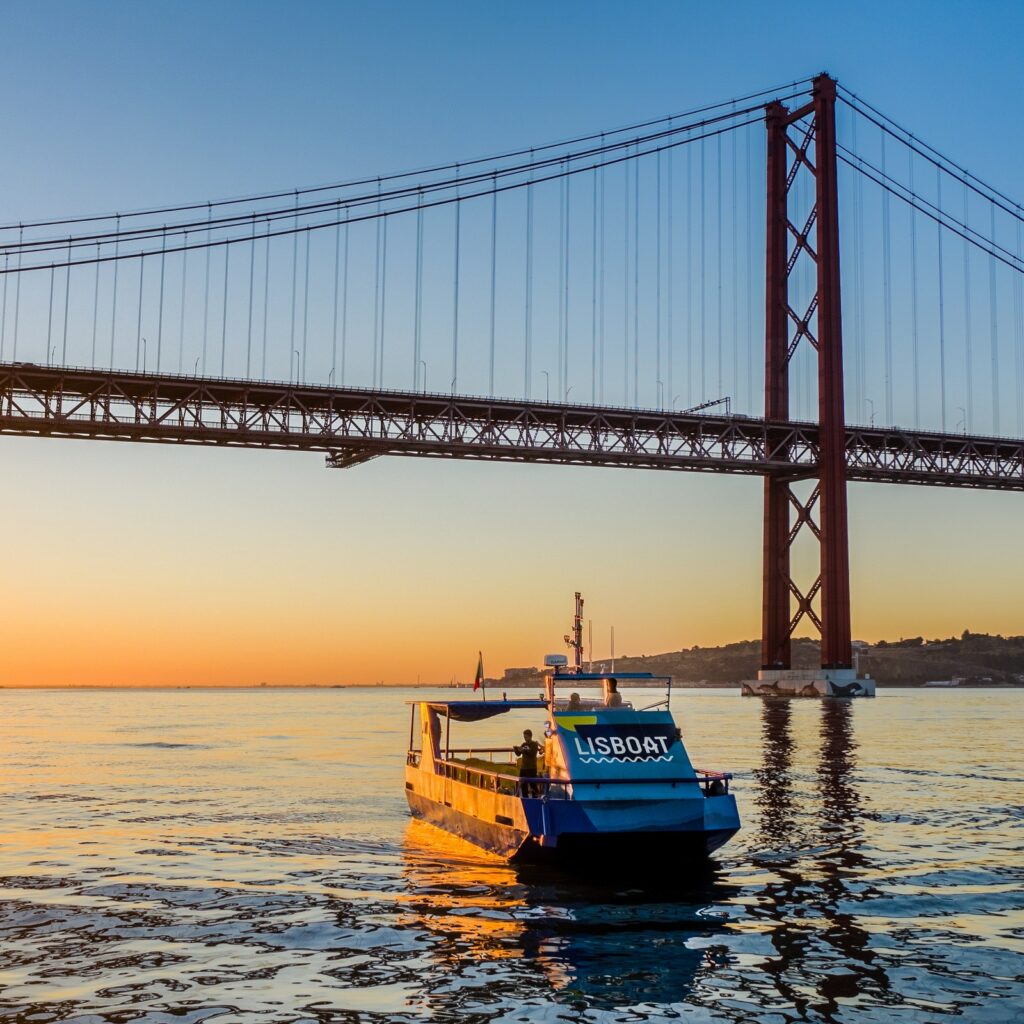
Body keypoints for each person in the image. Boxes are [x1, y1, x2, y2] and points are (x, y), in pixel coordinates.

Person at [513, 728, 543, 796]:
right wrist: (516, 750)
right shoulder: (524, 744)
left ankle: (535, 799)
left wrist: (525, 750)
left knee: (533, 785)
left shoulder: (534, 744)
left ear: (530, 736)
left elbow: (532, 753)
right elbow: (519, 754)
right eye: (524, 737)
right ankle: (525, 798)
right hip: (523, 768)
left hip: (531, 768)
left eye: (526, 737)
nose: (525, 739)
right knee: (523, 785)